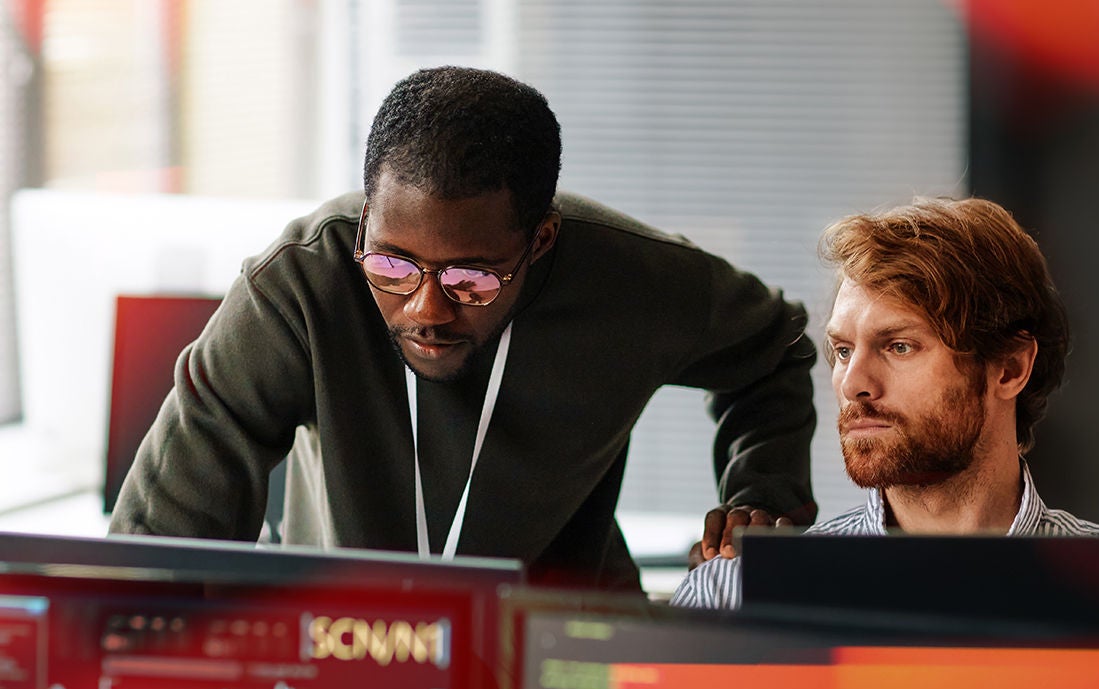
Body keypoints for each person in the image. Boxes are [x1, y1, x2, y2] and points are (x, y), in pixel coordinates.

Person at [108, 66, 818, 592]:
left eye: (470, 279)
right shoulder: (300, 285)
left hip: (562, 651)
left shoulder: (633, 280)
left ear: (539, 242)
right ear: (365, 223)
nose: (426, 309)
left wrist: (762, 496)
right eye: (391, 264)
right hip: (342, 643)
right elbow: (155, 549)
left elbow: (776, 350)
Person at [670, 197, 1099, 610]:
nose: (853, 384)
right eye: (843, 351)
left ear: (1009, 368)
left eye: (899, 346)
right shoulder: (734, 597)